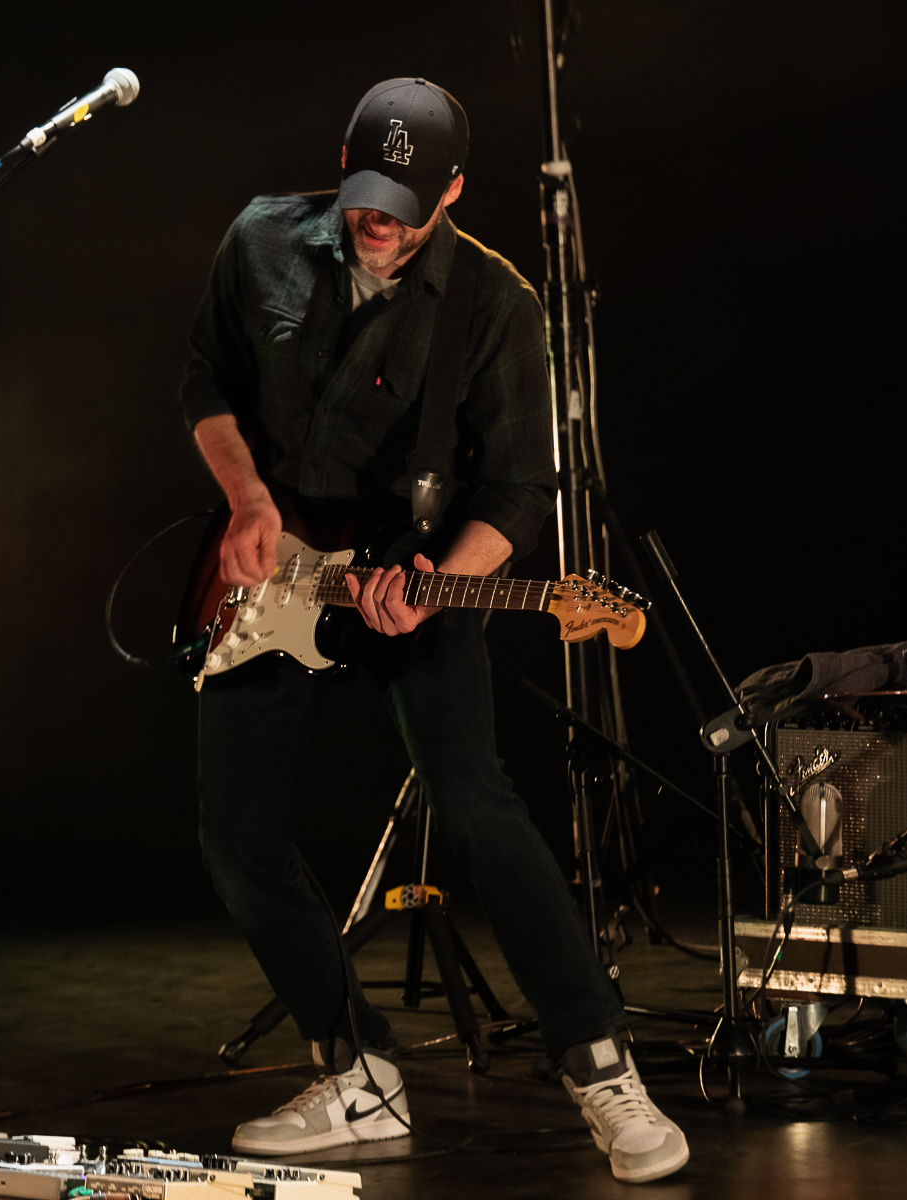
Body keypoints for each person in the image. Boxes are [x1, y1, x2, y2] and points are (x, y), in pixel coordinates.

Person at [179, 77, 688, 1185]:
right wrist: (249, 502)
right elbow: (207, 379)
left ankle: (600, 1065)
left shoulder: (495, 304)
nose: (379, 220)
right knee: (237, 837)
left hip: (416, 573)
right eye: (366, 192)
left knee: (475, 801)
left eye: (406, 204)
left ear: (452, 189)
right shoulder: (262, 236)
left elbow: (516, 493)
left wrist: (438, 581)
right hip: (273, 570)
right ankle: (356, 1070)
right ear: (342, 159)